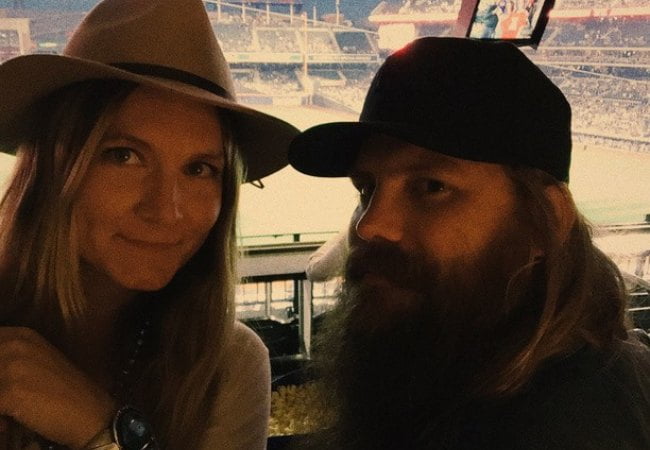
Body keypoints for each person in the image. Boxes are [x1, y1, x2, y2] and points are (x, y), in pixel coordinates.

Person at [288, 37, 650, 449]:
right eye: (366, 189)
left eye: (431, 186)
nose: (369, 226)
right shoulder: (452, 362)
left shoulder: (569, 423)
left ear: (543, 220)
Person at [0, 0, 299, 449]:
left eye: (199, 169)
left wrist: (103, 432)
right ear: (53, 168)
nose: (167, 211)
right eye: (124, 156)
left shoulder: (226, 365)